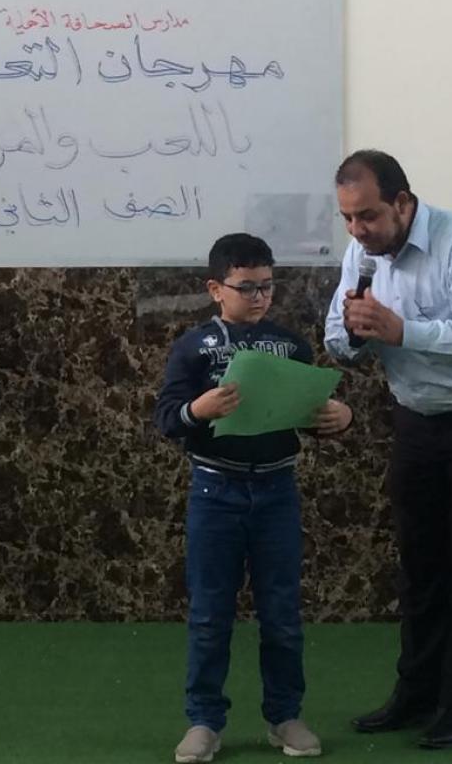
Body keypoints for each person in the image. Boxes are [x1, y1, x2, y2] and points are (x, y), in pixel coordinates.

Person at [324, 151, 452, 750]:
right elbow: (337, 335)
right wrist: (354, 337)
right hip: (416, 418)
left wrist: (401, 331)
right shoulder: (362, 254)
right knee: (419, 564)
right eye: (348, 218)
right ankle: (415, 693)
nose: (358, 230)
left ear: (403, 203)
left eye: (368, 216)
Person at [156, 232, 353, 764]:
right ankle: (204, 720)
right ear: (215, 289)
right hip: (214, 490)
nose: (260, 297)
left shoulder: (291, 345)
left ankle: (284, 716)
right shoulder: (193, 347)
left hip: (275, 490)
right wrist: (197, 410)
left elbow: (306, 413)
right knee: (209, 615)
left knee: (282, 614)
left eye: (267, 286)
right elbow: (166, 418)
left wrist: (337, 418)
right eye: (246, 287)